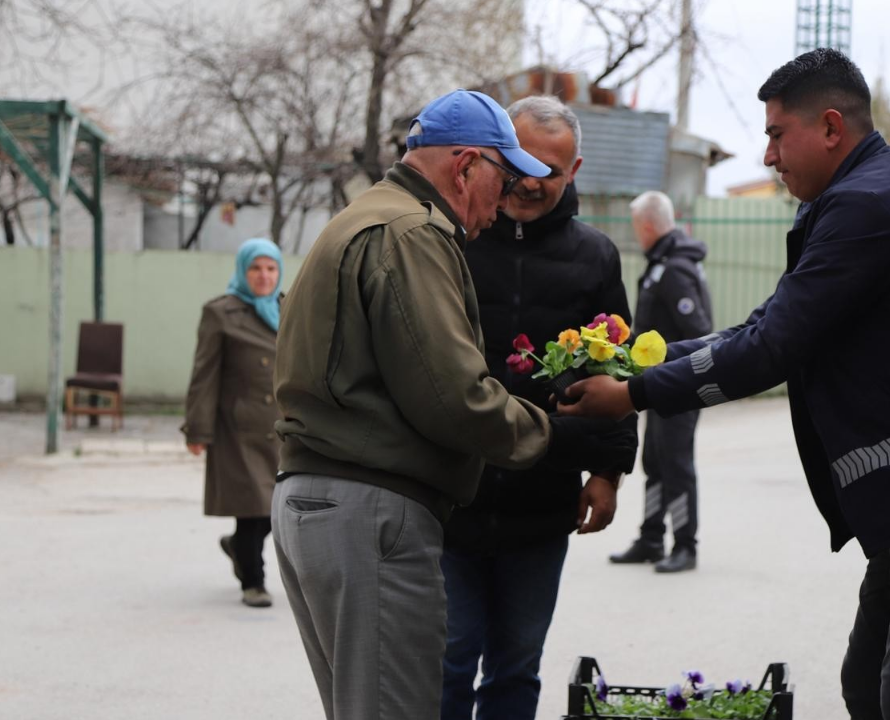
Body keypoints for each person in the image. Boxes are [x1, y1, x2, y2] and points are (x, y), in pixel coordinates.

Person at [560, 49, 890, 719]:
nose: (768, 156)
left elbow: (771, 349)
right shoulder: (858, 198)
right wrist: (638, 364)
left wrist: (631, 395)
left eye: (776, 134)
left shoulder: (870, 206)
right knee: (869, 687)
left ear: (830, 127)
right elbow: (764, 325)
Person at [271, 89, 636, 720]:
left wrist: (605, 462)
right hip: (376, 507)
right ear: (466, 167)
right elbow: (456, 399)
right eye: (504, 175)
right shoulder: (415, 234)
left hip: (326, 494)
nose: (506, 199)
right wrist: (567, 440)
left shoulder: (367, 216)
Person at [439, 95, 636, 720]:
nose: (529, 180)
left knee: (517, 667)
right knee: (446, 658)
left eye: (548, 169)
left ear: (573, 171)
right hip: (448, 495)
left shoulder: (596, 257)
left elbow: (618, 369)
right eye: (519, 162)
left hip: (542, 498)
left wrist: (608, 473)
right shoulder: (451, 240)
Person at [608, 191, 712, 574]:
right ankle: (651, 538)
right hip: (657, 386)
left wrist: (666, 360)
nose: (637, 234)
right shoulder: (662, 264)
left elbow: (699, 329)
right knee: (654, 461)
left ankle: (685, 545)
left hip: (679, 388)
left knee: (677, 465)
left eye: (637, 227)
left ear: (647, 225)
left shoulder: (674, 270)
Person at [182, 237, 283, 609]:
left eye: (270, 268)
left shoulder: (290, 309)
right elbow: (204, 375)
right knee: (253, 506)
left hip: (282, 429)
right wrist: (197, 430)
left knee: (279, 506)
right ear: (243, 271)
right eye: (255, 268)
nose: (263, 276)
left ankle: (237, 548)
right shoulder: (220, 313)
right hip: (238, 428)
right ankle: (253, 582)